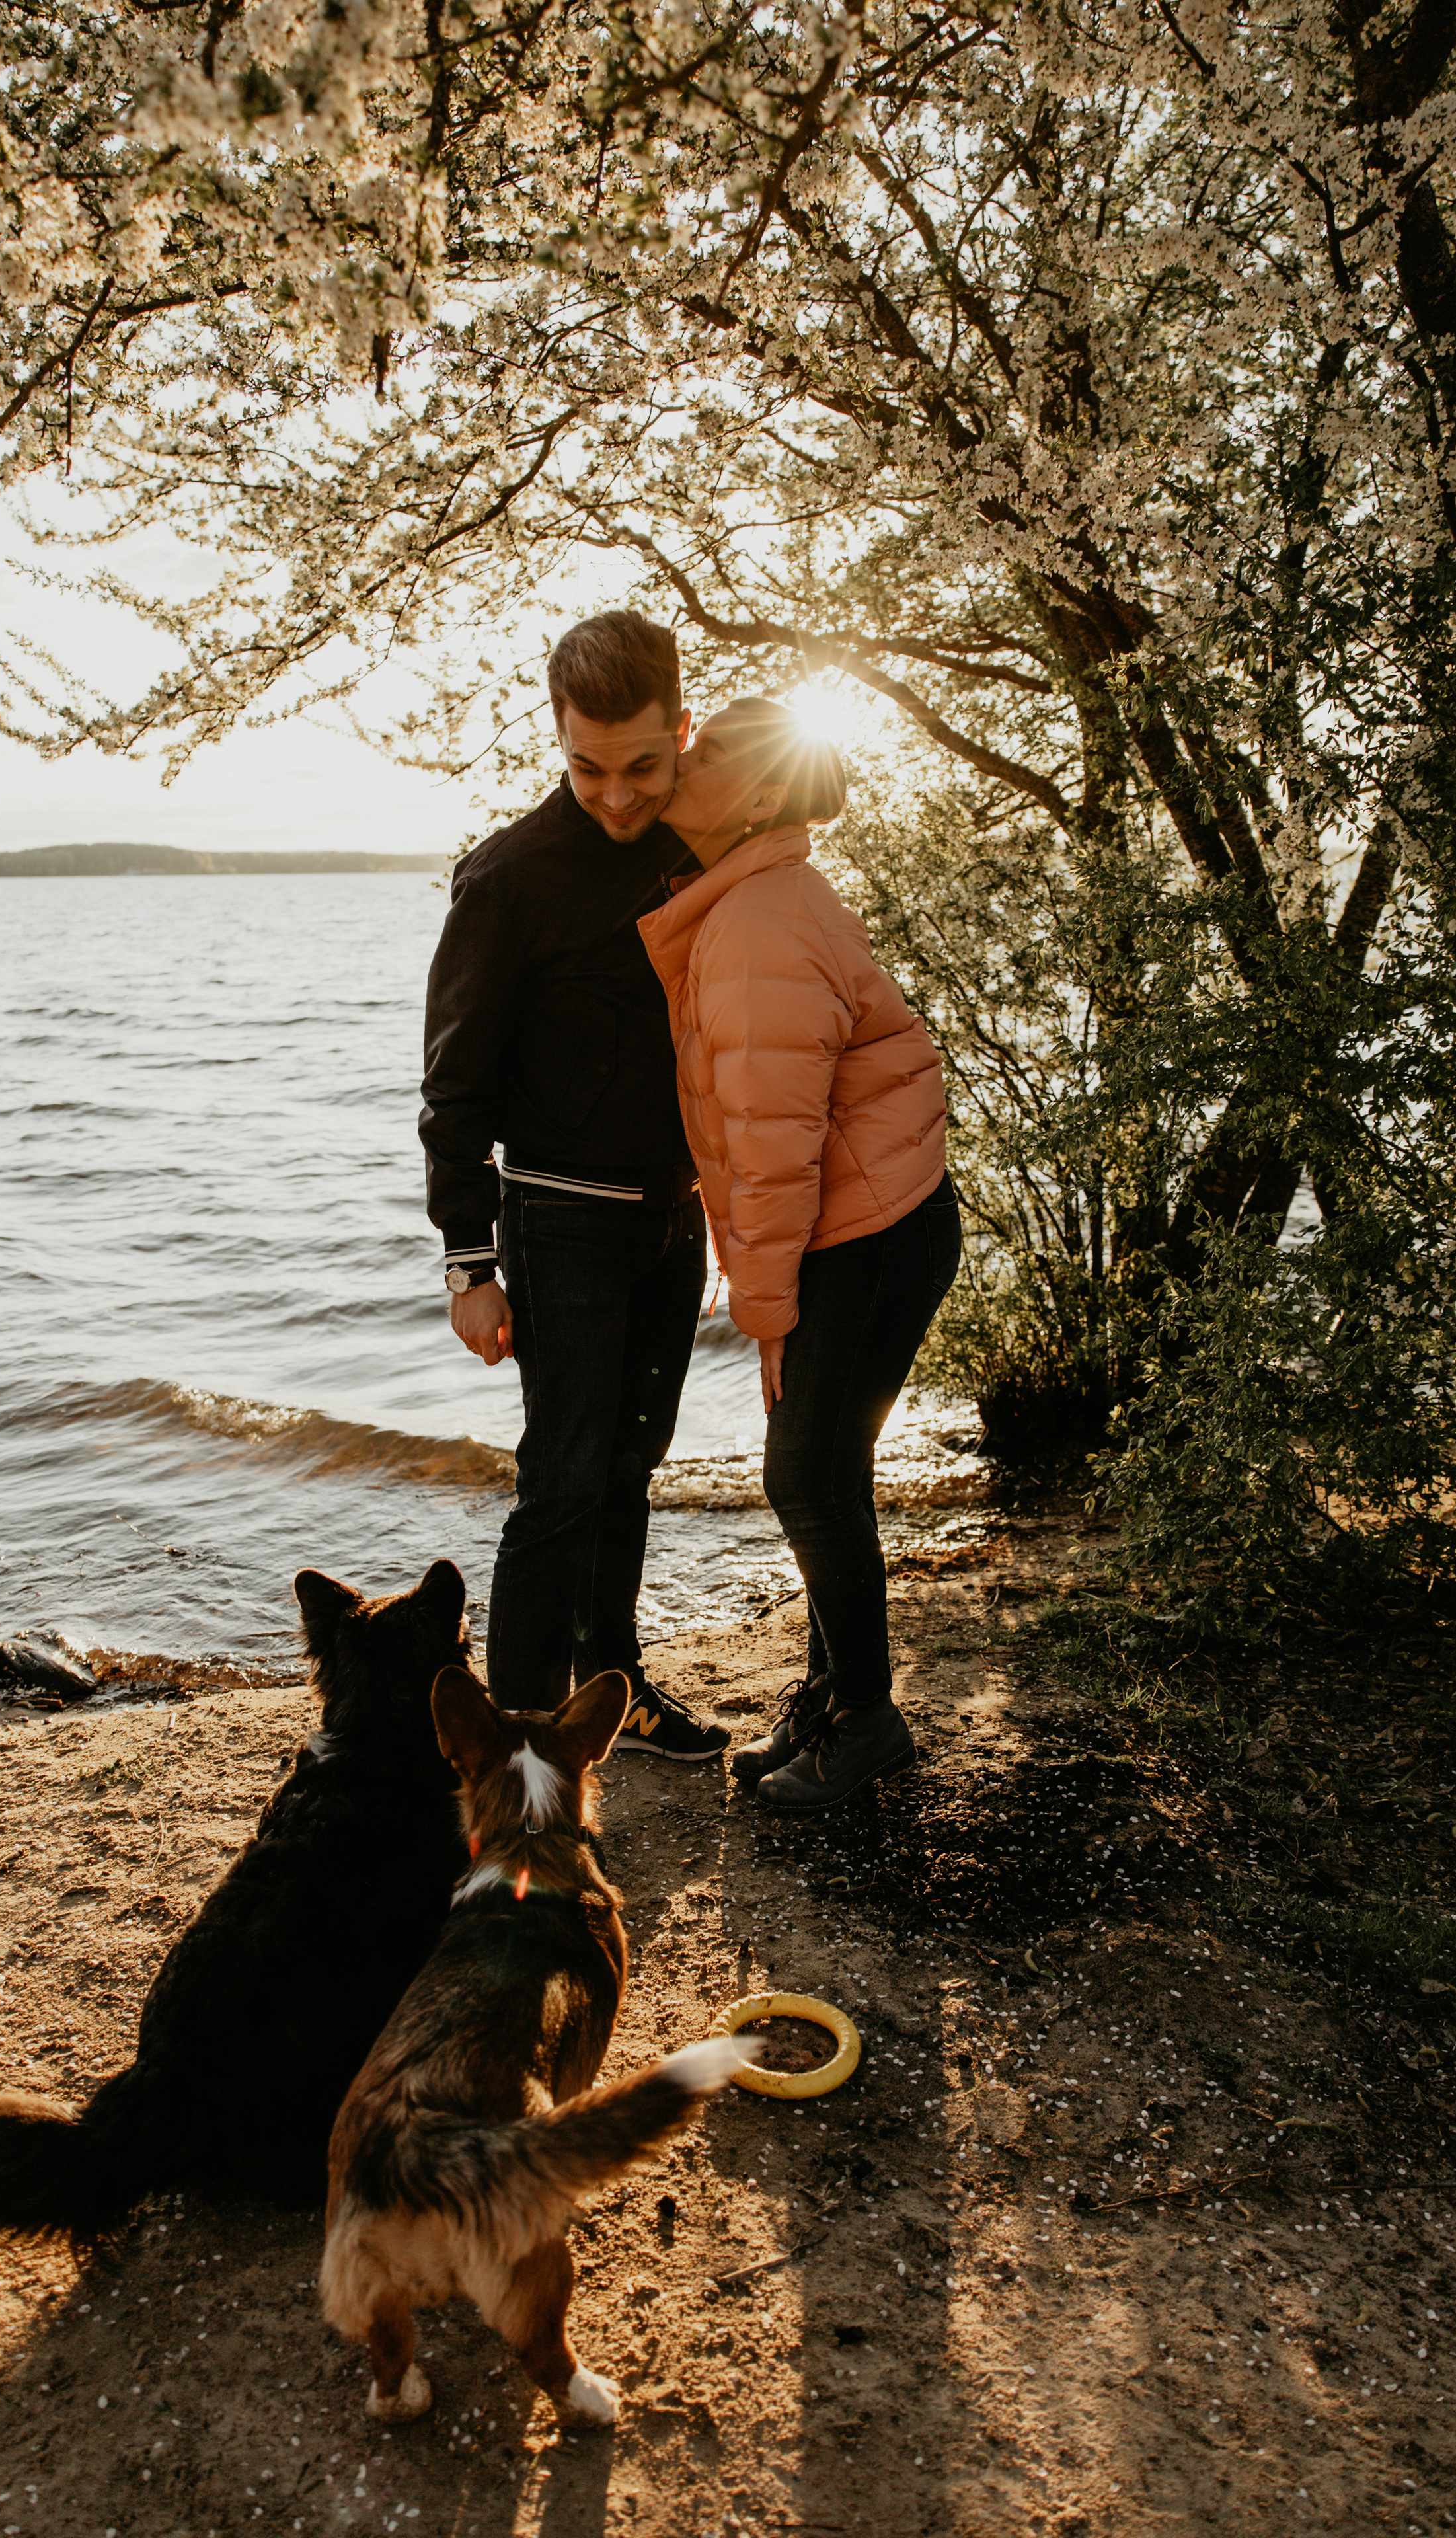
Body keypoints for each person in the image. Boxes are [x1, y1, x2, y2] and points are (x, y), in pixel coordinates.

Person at [640, 696, 960, 1810]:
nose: (687, 764)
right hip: (870, 1224)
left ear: (767, 792)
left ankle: (866, 1722)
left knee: (804, 1474)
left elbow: (774, 1152)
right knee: (827, 1469)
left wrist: (766, 1319)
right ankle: (832, 1701)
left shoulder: (761, 921)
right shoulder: (747, 898)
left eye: (712, 753)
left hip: (871, 1232)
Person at [418, 610, 728, 1759]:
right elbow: (454, 1089)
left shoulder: (697, 847)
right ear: (557, 737)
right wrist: (469, 1262)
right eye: (587, 767)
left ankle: (615, 1697)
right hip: (555, 1223)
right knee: (564, 1480)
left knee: (634, 1466)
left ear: (681, 730)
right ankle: (521, 1740)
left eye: (642, 765)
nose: (614, 793)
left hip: (670, 1220)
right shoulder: (505, 882)